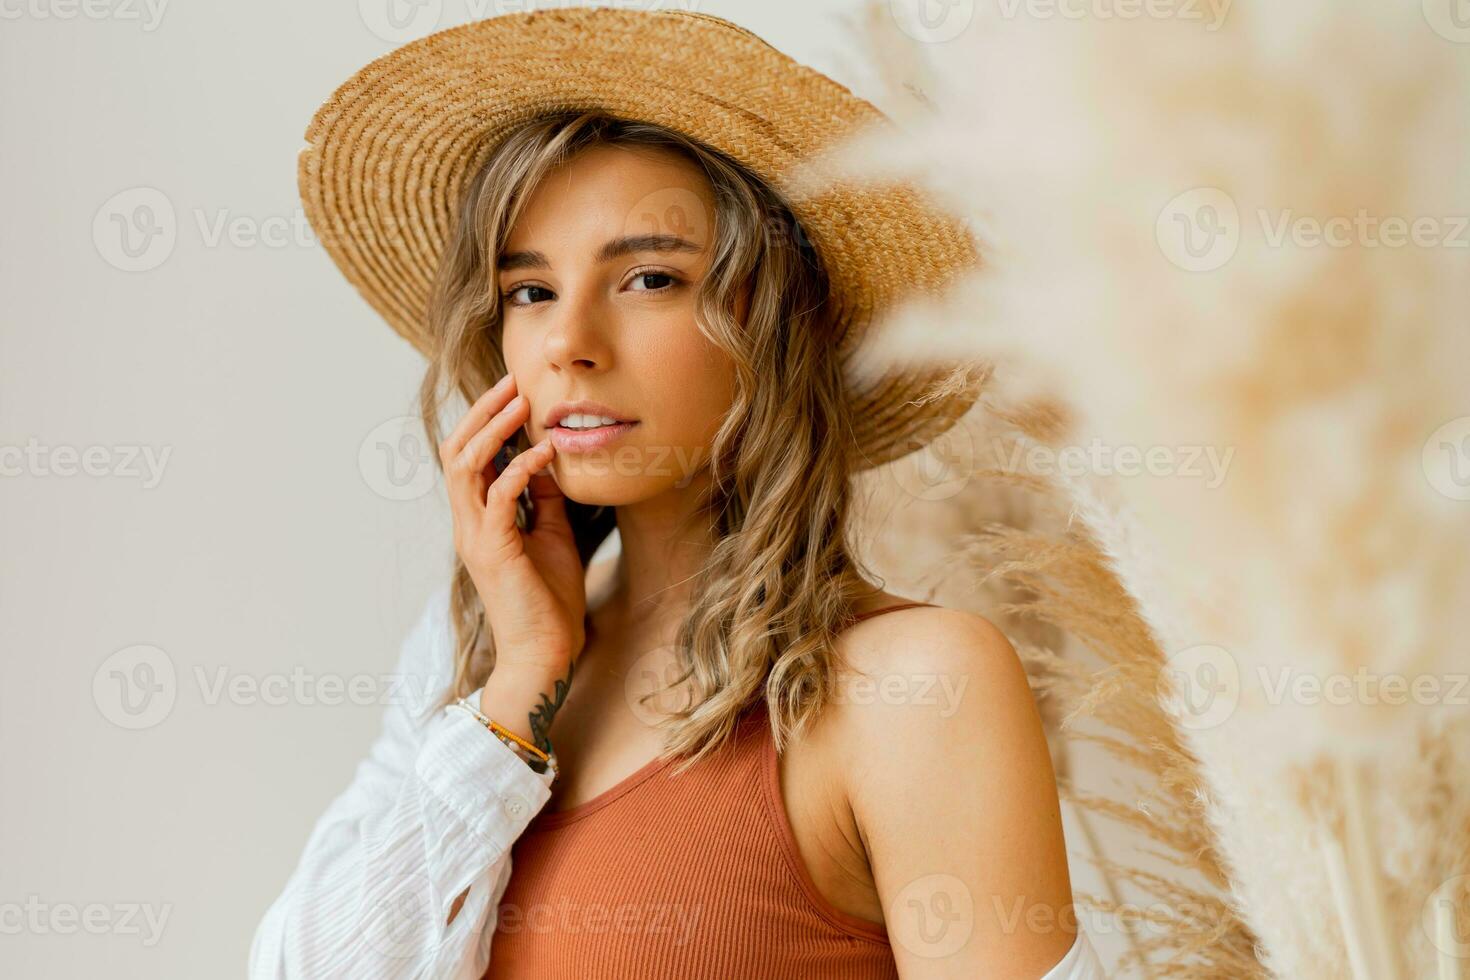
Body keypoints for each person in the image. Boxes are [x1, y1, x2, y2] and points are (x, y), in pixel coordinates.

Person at [250, 9, 1107, 978]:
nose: (569, 340)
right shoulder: (477, 660)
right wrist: (519, 686)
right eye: (530, 291)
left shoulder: (915, 686)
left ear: (776, 323)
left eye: (649, 278)